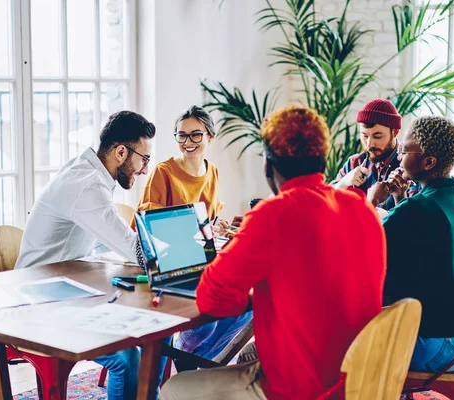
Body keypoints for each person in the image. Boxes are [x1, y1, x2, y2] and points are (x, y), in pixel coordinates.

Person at [160, 105, 387, 400]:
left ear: (269, 165)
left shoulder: (273, 214)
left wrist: (247, 258)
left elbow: (210, 298)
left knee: (174, 388)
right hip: (359, 376)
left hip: (303, 387)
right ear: (323, 159)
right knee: (247, 359)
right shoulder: (363, 209)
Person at [14, 110, 157, 400]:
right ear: (120, 152)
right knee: (128, 358)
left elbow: (101, 243)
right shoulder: (86, 184)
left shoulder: (88, 172)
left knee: (156, 337)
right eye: (144, 159)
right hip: (38, 305)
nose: (144, 170)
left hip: (65, 290)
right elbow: (134, 250)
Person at [136, 105, 252, 372]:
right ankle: (187, 356)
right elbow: (148, 226)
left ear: (210, 137)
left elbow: (206, 221)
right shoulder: (163, 172)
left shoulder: (212, 172)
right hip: (167, 262)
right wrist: (200, 229)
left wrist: (215, 226)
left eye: (196, 135)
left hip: (200, 258)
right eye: (182, 135)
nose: (188, 142)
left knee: (246, 302)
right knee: (210, 305)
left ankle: (199, 356)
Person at [382, 116, 454, 372]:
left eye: (404, 150)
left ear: (428, 162)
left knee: (349, 345)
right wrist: (400, 198)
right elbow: (419, 234)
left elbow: (366, 243)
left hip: (442, 347)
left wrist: (370, 199)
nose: (399, 157)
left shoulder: (418, 208)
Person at [331, 98, 421, 209]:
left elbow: (416, 219)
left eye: (377, 137)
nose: (369, 145)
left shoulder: (410, 165)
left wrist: (400, 196)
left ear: (395, 132)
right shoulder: (354, 162)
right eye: (364, 136)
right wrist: (343, 183)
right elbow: (327, 202)